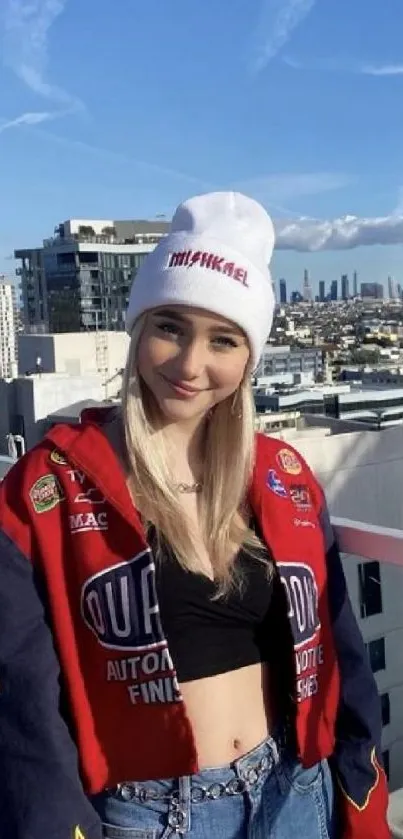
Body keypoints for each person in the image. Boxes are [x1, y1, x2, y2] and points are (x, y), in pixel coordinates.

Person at [0, 192, 390, 839]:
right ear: (138, 327)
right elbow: (21, 691)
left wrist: (357, 780)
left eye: (223, 339)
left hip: (294, 787)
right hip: (150, 813)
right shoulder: (49, 485)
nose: (189, 364)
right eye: (170, 326)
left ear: (247, 359)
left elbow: (339, 648)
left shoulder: (283, 477)